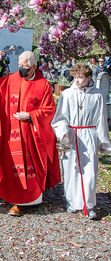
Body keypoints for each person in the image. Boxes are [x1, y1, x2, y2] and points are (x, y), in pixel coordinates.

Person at [0, 51, 61, 216]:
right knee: (14, 168)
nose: (21, 69)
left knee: (32, 168)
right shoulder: (11, 79)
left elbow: (49, 110)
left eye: (25, 66)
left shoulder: (43, 84)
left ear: (34, 67)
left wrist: (31, 116)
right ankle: (17, 200)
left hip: (32, 134)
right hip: (12, 134)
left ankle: (32, 199)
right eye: (20, 65)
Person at [51, 63, 111, 219]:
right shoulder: (68, 94)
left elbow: (101, 120)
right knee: (71, 170)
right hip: (71, 134)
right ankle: (72, 202)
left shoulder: (97, 95)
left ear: (88, 78)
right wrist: (63, 132)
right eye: (75, 77)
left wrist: (103, 143)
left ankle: (89, 205)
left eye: (80, 77)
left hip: (89, 134)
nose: (77, 80)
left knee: (90, 171)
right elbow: (60, 118)